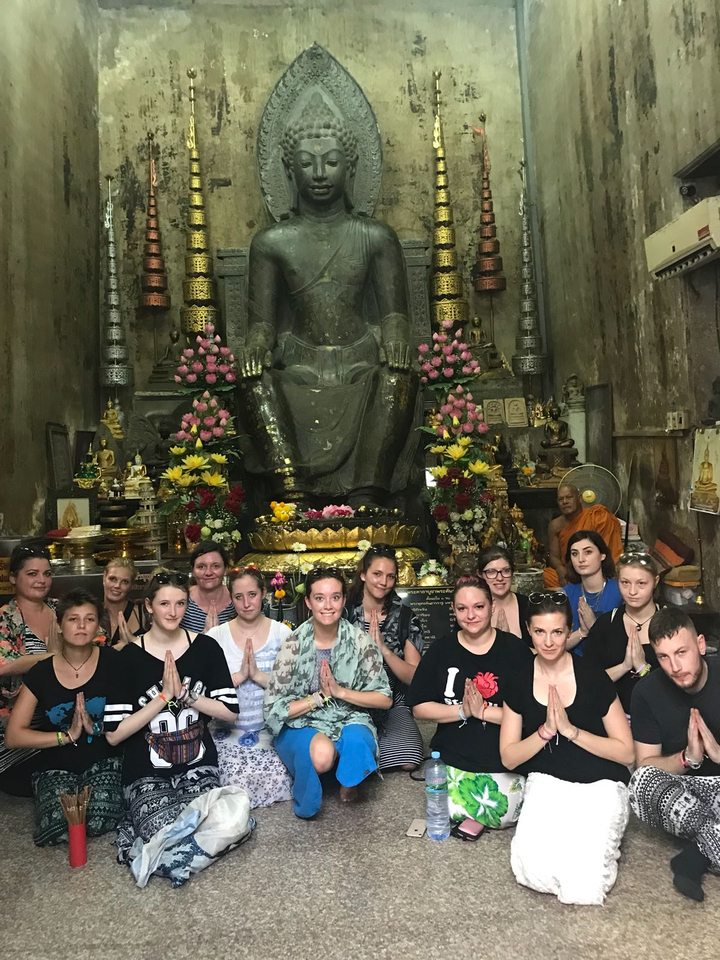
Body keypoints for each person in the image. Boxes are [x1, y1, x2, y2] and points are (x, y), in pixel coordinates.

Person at [238, 92, 417, 505]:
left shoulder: (376, 237)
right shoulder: (270, 242)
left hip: (360, 363)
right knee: (254, 382)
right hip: (299, 365)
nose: (319, 173)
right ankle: (290, 493)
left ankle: (367, 495)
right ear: (290, 170)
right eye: (306, 163)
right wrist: (256, 347)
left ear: (350, 167)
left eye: (332, 162)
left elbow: (395, 315)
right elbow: (262, 323)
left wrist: (396, 340)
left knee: (398, 379)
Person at [103, 571, 241, 883]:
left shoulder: (206, 648)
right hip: (146, 771)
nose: (172, 611)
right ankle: (167, 847)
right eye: (164, 603)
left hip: (198, 765)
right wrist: (163, 696)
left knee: (224, 822)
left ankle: (161, 856)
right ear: (148, 606)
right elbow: (114, 735)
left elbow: (230, 713)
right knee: (166, 828)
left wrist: (188, 697)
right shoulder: (128, 657)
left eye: (180, 603)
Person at [264, 567, 392, 819]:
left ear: (343, 600)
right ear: (308, 602)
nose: (328, 606)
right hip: (303, 721)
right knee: (321, 757)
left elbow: (384, 699)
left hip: (348, 716)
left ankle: (349, 779)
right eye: (319, 598)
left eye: (335, 597)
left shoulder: (359, 641)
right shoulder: (293, 644)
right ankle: (319, 777)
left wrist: (339, 692)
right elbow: (274, 709)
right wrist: (319, 697)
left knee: (358, 739)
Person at [406, 576, 532, 828]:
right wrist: (463, 711)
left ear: (492, 606)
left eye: (479, 607)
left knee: (504, 812)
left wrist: (482, 711)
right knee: (445, 807)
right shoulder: (441, 650)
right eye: (462, 608)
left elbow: (531, 714)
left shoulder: (515, 650)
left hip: (503, 756)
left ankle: (473, 814)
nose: (470, 615)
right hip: (454, 755)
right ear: (453, 610)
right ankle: (472, 813)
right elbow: (419, 707)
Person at [5, 589, 122, 846]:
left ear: (97, 626)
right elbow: (14, 736)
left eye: (89, 619)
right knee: (57, 828)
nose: (81, 626)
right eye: (73, 619)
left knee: (98, 821)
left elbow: (133, 715)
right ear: (59, 625)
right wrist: (66, 736)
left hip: (104, 759)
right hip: (55, 764)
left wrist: (97, 727)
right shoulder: (41, 672)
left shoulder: (114, 662)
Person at [629, 606, 720, 902]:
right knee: (640, 783)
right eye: (664, 657)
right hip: (685, 792)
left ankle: (696, 855)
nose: (675, 667)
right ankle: (712, 836)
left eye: (682, 652)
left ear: (701, 645)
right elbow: (646, 765)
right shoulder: (646, 692)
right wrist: (687, 758)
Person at [500, 592, 633, 783]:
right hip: (545, 784)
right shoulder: (518, 679)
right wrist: (546, 731)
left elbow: (627, 754)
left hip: (599, 783)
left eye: (557, 632)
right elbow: (509, 759)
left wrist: (571, 731)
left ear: (570, 630)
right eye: (539, 632)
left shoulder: (593, 676)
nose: (548, 642)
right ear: (528, 629)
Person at [207, 565, 293, 808]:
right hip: (227, 733)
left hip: (270, 732)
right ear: (231, 598)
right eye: (238, 597)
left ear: (264, 593)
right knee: (232, 781)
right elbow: (204, 691)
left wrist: (257, 676)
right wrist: (238, 677)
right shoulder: (216, 636)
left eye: (252, 595)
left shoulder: (282, 633)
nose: (246, 603)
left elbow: (294, 688)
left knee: (278, 776)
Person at [344, 543, 425, 771]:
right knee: (331, 752)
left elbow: (415, 677)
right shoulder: (345, 612)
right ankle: (360, 753)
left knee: (410, 759)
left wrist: (384, 650)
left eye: (390, 576)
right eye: (377, 574)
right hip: (350, 698)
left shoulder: (406, 618)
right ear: (363, 574)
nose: (383, 582)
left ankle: (364, 757)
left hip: (392, 700)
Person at [0, 545, 59, 795]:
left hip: (60, 720)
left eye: (47, 574)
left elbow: (96, 642)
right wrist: (54, 656)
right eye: (32, 574)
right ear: (14, 578)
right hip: (17, 735)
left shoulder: (61, 609)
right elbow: (5, 664)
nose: (41, 580)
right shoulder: (5, 617)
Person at [584, 553, 661, 713]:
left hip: (658, 716)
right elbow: (588, 681)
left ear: (655, 581)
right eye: (625, 583)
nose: (632, 591)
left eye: (641, 583)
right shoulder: (606, 624)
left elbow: (680, 685)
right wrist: (624, 666)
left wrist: (643, 668)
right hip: (613, 716)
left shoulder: (670, 624)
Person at [543, 484, 622, 588]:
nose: (565, 502)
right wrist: (559, 569)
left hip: (597, 570)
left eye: (569, 497)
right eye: (560, 499)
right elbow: (554, 556)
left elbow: (608, 551)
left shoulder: (597, 516)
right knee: (543, 576)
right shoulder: (555, 525)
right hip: (570, 572)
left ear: (579, 498)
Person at [561, 531, 622, 654]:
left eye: (588, 552)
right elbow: (555, 646)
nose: (581, 559)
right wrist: (582, 632)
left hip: (610, 662)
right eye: (574, 554)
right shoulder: (565, 594)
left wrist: (594, 627)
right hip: (573, 662)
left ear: (602, 555)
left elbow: (622, 644)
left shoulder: (621, 590)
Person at [478, 545, 532, 647]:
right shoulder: (471, 610)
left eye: (506, 571)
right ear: (480, 575)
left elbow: (545, 651)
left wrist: (510, 644)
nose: (499, 578)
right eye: (491, 572)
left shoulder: (529, 606)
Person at [181, 540, 236, 632]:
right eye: (201, 567)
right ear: (193, 570)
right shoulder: (182, 600)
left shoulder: (237, 599)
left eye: (216, 566)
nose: (208, 572)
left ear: (226, 569)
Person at [101, 556, 143, 647]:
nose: (117, 585)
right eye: (113, 579)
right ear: (104, 578)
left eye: (125, 582)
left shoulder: (143, 615)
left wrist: (134, 640)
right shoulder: (92, 614)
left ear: (131, 585)